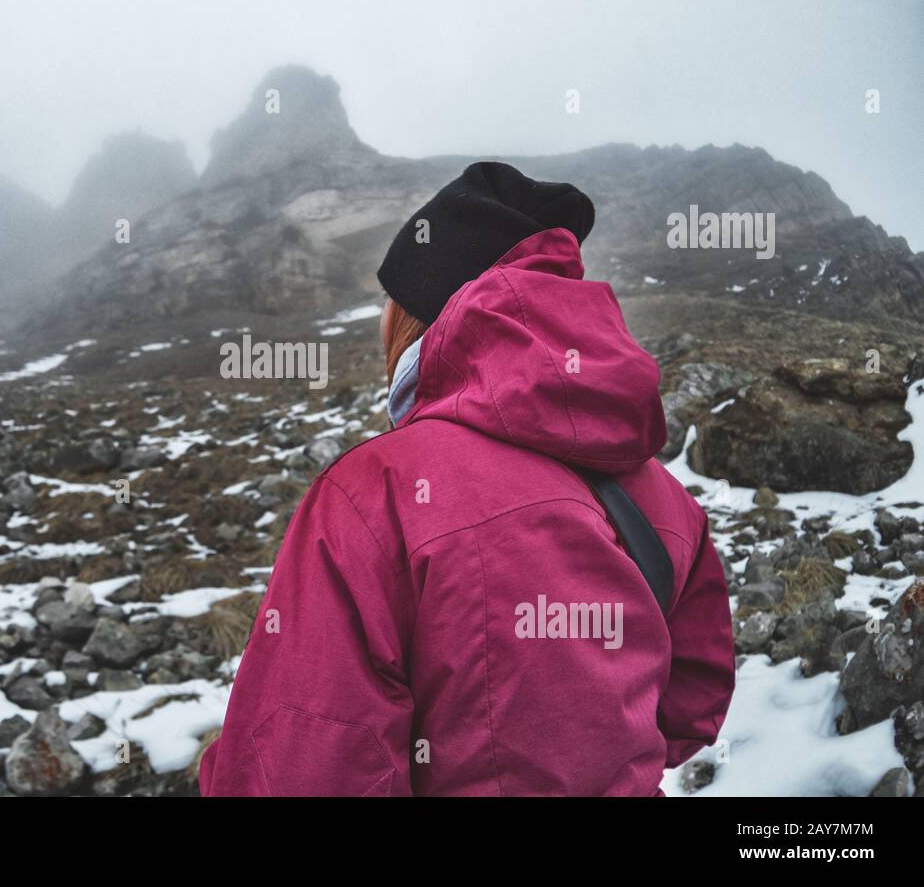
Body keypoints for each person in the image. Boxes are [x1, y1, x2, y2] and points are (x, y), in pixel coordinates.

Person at [199, 162, 735, 796]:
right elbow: (692, 702)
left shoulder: (372, 492)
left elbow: (304, 766)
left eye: (391, 307)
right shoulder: (666, 499)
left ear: (418, 317)